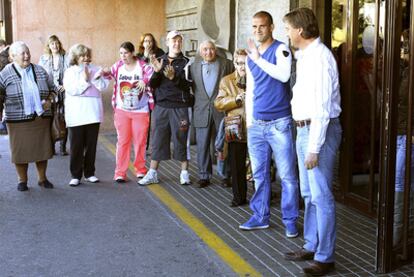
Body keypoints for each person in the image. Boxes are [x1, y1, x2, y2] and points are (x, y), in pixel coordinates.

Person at [283, 8, 342, 276]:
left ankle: (325, 257)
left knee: (321, 196)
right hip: (304, 129)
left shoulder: (319, 58)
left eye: (288, 28)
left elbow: (320, 109)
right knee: (309, 194)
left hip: (318, 131)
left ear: (300, 30)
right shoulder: (306, 56)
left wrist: (313, 148)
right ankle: (312, 244)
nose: (287, 33)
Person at [239, 11, 300, 239]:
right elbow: (252, 90)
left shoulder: (281, 49)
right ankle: (260, 216)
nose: (257, 31)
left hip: (279, 123)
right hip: (257, 124)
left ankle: (290, 220)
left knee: (287, 176)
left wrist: (258, 59)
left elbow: (283, 76)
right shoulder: (250, 56)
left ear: (271, 27)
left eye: (262, 26)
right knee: (259, 175)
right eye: (254, 27)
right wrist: (249, 120)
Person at [0, 41, 60, 191]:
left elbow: (54, 89)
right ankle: (22, 180)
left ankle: (42, 178)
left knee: (42, 150)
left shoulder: (40, 71)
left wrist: (49, 100)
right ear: (12, 56)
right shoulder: (4, 74)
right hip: (17, 121)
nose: (27, 56)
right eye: (22, 53)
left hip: (40, 119)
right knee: (20, 151)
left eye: (28, 52)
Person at [138, 30, 193, 186]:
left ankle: (184, 173)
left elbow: (188, 86)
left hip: (180, 107)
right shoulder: (159, 60)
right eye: (173, 41)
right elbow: (153, 85)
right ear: (167, 43)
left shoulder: (187, 62)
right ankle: (153, 173)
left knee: (182, 139)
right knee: (158, 139)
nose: (176, 43)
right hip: (161, 106)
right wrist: (156, 72)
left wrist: (173, 78)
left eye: (178, 41)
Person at [103, 42, 154, 183]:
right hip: (122, 110)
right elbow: (108, 75)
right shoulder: (118, 66)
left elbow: (152, 72)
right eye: (121, 53)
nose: (123, 56)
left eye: (125, 53)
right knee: (123, 142)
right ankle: (120, 172)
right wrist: (104, 72)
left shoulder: (142, 66)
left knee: (140, 142)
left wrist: (144, 80)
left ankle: (140, 169)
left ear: (132, 53)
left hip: (141, 111)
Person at [63, 44, 109, 187]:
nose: (86, 58)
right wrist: (85, 80)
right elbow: (72, 90)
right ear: (76, 57)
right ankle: (76, 175)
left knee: (91, 145)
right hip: (76, 114)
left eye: (87, 55)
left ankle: (90, 173)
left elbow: (103, 86)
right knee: (76, 146)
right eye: (82, 55)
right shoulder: (70, 72)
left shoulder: (95, 69)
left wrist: (98, 77)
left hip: (93, 113)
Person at [190, 40, 233, 188]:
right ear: (201, 52)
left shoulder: (226, 64)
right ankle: (204, 175)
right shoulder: (193, 67)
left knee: (223, 144)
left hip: (221, 110)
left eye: (211, 49)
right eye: (205, 50)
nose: (209, 52)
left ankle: (226, 175)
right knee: (202, 145)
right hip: (201, 110)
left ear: (216, 50)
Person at [215, 49, 248, 206]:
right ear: (234, 63)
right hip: (236, 128)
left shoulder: (257, 78)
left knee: (259, 166)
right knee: (237, 166)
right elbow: (219, 103)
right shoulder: (226, 81)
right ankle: (239, 197)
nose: (243, 66)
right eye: (240, 63)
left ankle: (262, 196)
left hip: (256, 128)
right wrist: (235, 100)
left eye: (246, 63)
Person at [393, 29, 414, 246]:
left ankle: (398, 237)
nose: (402, 48)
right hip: (401, 132)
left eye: (405, 44)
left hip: (408, 134)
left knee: (400, 181)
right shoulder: (406, 69)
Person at [38, 35, 69, 155]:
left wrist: (66, 85)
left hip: (63, 93)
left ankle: (62, 147)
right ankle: (51, 147)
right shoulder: (44, 58)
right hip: (50, 93)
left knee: (63, 118)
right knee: (50, 118)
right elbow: (40, 75)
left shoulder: (66, 57)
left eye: (56, 43)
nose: (55, 46)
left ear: (59, 44)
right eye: (52, 44)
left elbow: (72, 72)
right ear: (48, 46)